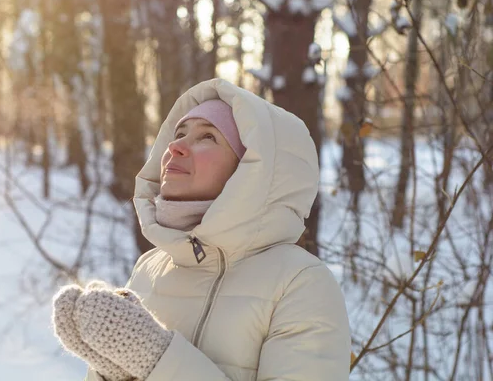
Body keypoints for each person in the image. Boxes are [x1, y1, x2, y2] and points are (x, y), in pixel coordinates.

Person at [52, 78, 351, 381]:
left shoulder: (300, 284)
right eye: (179, 133)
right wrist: (110, 371)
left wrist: (155, 359)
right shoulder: (150, 267)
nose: (175, 146)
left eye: (207, 137)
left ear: (253, 171)